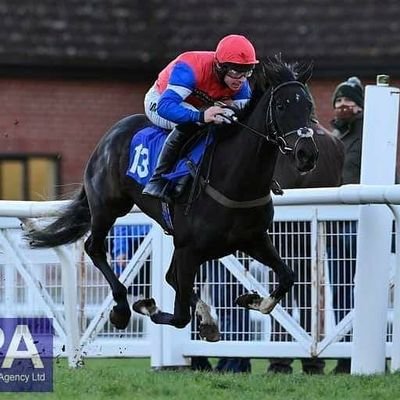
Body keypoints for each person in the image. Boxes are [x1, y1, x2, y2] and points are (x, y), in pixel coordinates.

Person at [142, 34, 258, 202]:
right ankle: (157, 180)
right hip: (161, 100)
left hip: (196, 104)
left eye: (247, 72)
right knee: (194, 122)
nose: (240, 80)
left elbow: (246, 120)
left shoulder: (239, 82)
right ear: (220, 67)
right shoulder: (190, 67)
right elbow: (165, 107)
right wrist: (201, 116)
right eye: (235, 72)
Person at [328, 76, 364, 374]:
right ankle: (345, 354)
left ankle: (364, 348)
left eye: (349, 101)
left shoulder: (371, 136)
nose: (343, 106)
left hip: (360, 223)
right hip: (334, 224)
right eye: (338, 101)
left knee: (362, 289)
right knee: (341, 291)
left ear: (361, 107)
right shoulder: (332, 138)